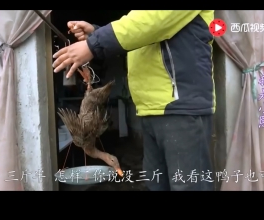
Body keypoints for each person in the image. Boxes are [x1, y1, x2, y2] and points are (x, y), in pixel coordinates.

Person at [52, 10, 215, 191]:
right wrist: (96, 32)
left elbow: (152, 21)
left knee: (187, 185)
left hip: (180, 107)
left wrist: (93, 44)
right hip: (152, 108)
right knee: (156, 184)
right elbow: (140, 35)